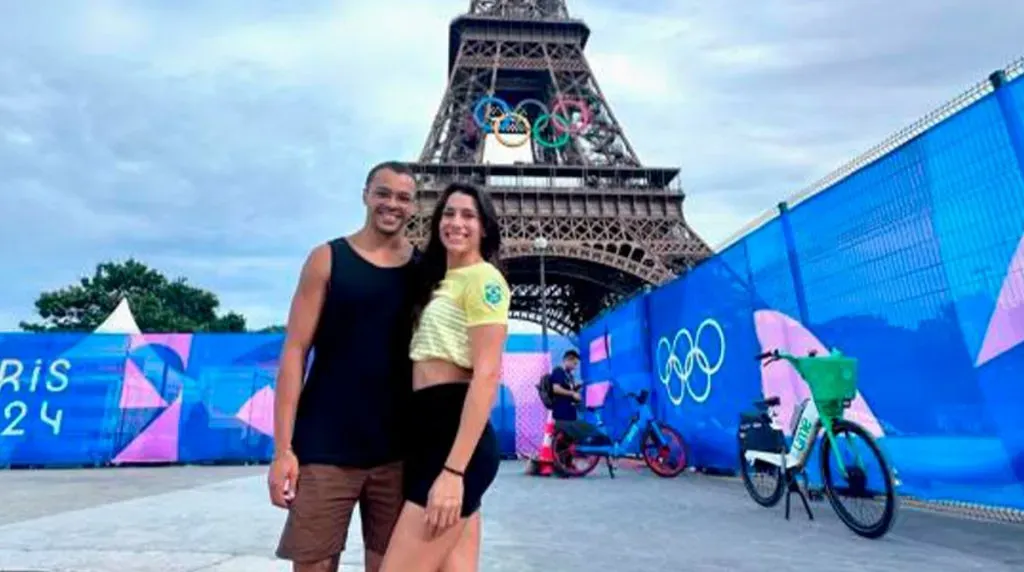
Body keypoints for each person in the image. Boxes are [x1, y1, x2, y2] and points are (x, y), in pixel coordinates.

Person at [270, 161, 419, 572]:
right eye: (383, 193)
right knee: (313, 564)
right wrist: (283, 450)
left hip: (399, 448)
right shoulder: (327, 259)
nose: (392, 204)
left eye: (403, 197)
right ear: (366, 195)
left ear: (414, 206)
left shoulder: (424, 270)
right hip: (325, 444)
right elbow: (295, 351)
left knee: (392, 566)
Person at [379, 182, 510, 572]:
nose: (456, 222)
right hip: (428, 434)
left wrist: (453, 472)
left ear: (484, 227)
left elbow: (487, 375)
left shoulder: (484, 279)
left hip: (452, 440)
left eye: (469, 215)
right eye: (449, 213)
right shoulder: (441, 282)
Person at [549, 349, 582, 421]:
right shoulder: (558, 371)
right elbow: (555, 388)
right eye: (574, 363)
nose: (575, 367)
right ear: (568, 360)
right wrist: (573, 393)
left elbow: (568, 388)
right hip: (561, 413)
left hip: (570, 413)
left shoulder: (569, 375)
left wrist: (576, 387)